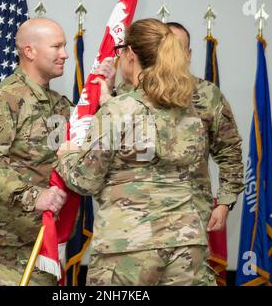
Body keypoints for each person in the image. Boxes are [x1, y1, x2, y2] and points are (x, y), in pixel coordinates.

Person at [55, 18, 225, 286]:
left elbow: (85, 180)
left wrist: (66, 154)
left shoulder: (117, 110)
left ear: (131, 54)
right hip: (186, 244)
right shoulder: (188, 110)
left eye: (121, 51)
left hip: (128, 246)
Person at [0, 18, 72, 286]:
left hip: (51, 235)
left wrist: (105, 88)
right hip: (15, 244)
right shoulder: (3, 99)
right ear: (29, 51)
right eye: (57, 46)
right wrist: (32, 196)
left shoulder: (60, 104)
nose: (65, 54)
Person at [166, 22, 244, 233]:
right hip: (142, 221)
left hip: (192, 217)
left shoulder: (208, 95)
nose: (172, 55)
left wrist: (225, 202)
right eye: (167, 48)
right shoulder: (134, 95)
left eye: (178, 49)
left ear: (189, 54)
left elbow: (229, 151)